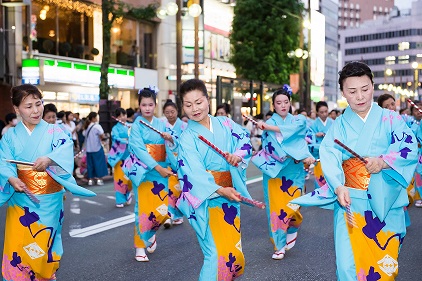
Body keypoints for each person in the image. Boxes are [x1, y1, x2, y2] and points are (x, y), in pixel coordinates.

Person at [292, 61, 418, 280]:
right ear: (343, 93)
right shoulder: (339, 125)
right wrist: (338, 185)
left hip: (386, 204)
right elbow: (330, 155)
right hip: (351, 202)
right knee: (348, 269)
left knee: (383, 271)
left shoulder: (392, 119)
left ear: (372, 86)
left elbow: (408, 147)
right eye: (352, 91)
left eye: (365, 89)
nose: (360, 96)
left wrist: (384, 162)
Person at [0, 84, 95, 280]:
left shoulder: (55, 131)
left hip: (49, 200)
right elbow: (4, 161)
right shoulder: (9, 136)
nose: (36, 110)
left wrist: (50, 159)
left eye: (38, 104)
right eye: (28, 106)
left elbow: (65, 151)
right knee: (17, 247)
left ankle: (45, 273)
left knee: (42, 245)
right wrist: (12, 178)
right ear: (17, 109)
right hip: (20, 200)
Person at [175, 79, 253, 280]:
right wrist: (220, 190)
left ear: (207, 100)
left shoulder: (225, 123)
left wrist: (238, 154)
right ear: (182, 107)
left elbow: (244, 139)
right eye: (188, 105)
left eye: (199, 102)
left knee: (233, 255)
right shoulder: (186, 138)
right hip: (205, 201)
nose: (195, 109)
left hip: (228, 198)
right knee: (216, 255)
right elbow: (193, 174)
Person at [251, 84, 315, 260]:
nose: (283, 105)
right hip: (276, 172)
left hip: (294, 171)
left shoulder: (299, 121)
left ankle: (292, 227)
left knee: (294, 207)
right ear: (274, 105)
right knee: (277, 209)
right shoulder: (268, 123)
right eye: (278, 103)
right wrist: (295, 155)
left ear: (290, 103)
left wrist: (303, 156)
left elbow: (300, 139)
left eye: (286, 102)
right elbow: (269, 148)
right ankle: (279, 246)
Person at [122, 88, 175, 262]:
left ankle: (150, 233)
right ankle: (139, 246)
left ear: (155, 105)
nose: (147, 108)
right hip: (144, 172)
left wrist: (170, 140)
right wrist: (156, 167)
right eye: (143, 105)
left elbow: (173, 146)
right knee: (142, 210)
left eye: (150, 104)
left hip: (161, 171)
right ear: (139, 105)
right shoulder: (136, 126)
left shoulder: (162, 124)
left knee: (161, 210)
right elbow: (138, 149)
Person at [162, 99, 187, 227]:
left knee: (179, 190)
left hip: (182, 162)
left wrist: (172, 138)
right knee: (169, 189)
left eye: (172, 112)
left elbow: (187, 142)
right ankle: (169, 215)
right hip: (167, 162)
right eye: (167, 112)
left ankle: (177, 215)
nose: (170, 114)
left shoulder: (184, 126)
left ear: (177, 111)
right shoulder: (161, 125)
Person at [108, 108, 132, 208]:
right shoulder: (115, 129)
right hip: (119, 158)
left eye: (124, 115)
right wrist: (125, 140)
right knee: (119, 179)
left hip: (130, 156)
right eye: (120, 116)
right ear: (117, 117)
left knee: (130, 178)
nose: (123, 117)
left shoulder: (131, 126)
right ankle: (120, 200)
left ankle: (128, 193)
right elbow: (115, 138)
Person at [307, 101, 334, 189]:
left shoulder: (333, 122)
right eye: (321, 112)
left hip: (331, 154)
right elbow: (309, 138)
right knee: (320, 178)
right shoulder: (313, 124)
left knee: (331, 178)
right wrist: (315, 135)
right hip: (318, 154)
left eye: (326, 111)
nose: (324, 114)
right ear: (317, 112)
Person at [83, 112, 108, 186]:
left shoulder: (87, 126)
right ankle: (99, 179)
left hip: (88, 149)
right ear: (94, 118)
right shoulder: (97, 126)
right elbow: (102, 136)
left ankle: (90, 179)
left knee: (90, 165)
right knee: (99, 164)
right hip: (97, 148)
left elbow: (84, 134)